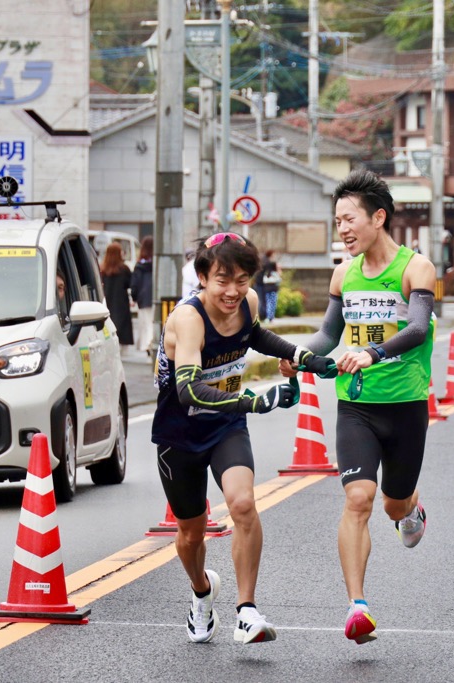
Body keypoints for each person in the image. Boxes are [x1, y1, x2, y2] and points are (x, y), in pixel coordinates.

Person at [152, 232, 333, 645]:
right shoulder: (188, 319)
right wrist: (252, 400)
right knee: (191, 533)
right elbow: (189, 391)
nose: (233, 291)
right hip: (179, 433)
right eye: (222, 280)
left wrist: (303, 357)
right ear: (202, 277)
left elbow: (255, 336)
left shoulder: (247, 303)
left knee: (244, 504)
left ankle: (247, 611)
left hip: (225, 427)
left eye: (242, 280)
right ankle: (201, 592)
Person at [279, 168, 436, 645]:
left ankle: (412, 508)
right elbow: (329, 335)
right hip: (357, 406)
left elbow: (418, 329)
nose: (342, 229)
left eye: (349, 219)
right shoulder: (342, 273)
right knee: (358, 499)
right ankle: (358, 606)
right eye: (337, 220)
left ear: (378, 218)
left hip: (406, 405)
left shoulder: (415, 268)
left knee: (392, 505)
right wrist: (299, 356)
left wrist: (373, 351)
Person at [101, 242, 134, 349]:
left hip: (106, 301)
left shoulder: (102, 269)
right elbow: (130, 284)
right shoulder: (124, 269)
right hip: (121, 302)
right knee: (121, 324)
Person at [131, 236, 154, 355]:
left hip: (143, 297)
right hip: (156, 297)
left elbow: (135, 284)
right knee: (154, 322)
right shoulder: (158, 264)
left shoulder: (140, 265)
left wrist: (134, 297)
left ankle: (148, 344)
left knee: (146, 323)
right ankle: (153, 343)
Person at [259, 249, 282, 322]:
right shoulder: (274, 274)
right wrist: (279, 270)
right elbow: (279, 279)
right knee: (272, 303)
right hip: (273, 289)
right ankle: (270, 317)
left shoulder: (266, 275)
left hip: (267, 289)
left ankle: (267, 317)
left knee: (267, 302)